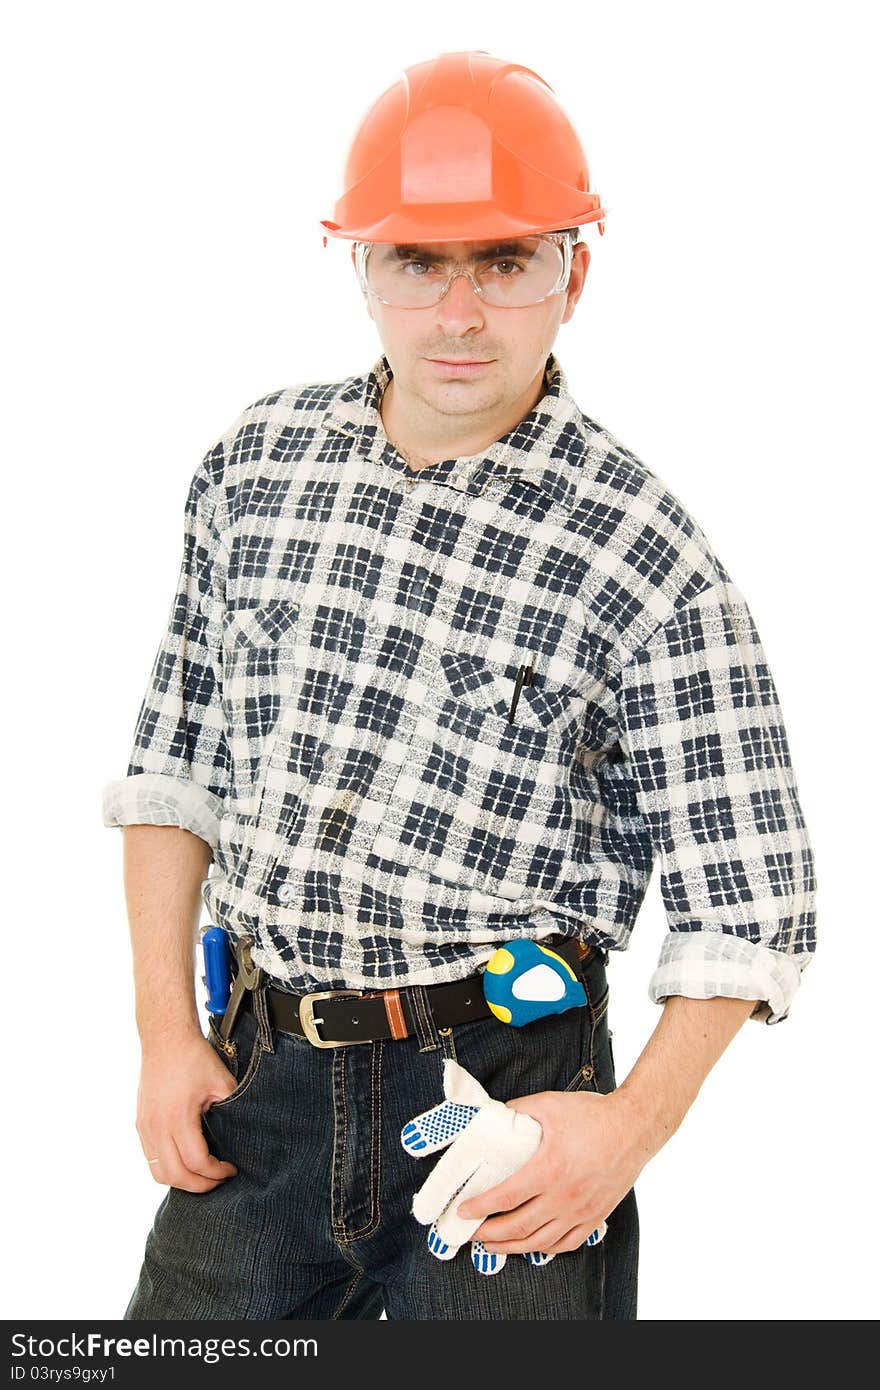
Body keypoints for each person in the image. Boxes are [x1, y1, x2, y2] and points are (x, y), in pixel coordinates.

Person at [102, 49, 817, 1321]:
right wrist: (167, 1030)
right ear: (363, 267)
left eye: (506, 260)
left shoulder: (643, 556)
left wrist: (624, 1130)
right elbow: (177, 768)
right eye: (417, 262)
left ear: (573, 273)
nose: (460, 312)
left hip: (498, 1103)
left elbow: (749, 903)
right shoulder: (251, 469)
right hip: (257, 1087)